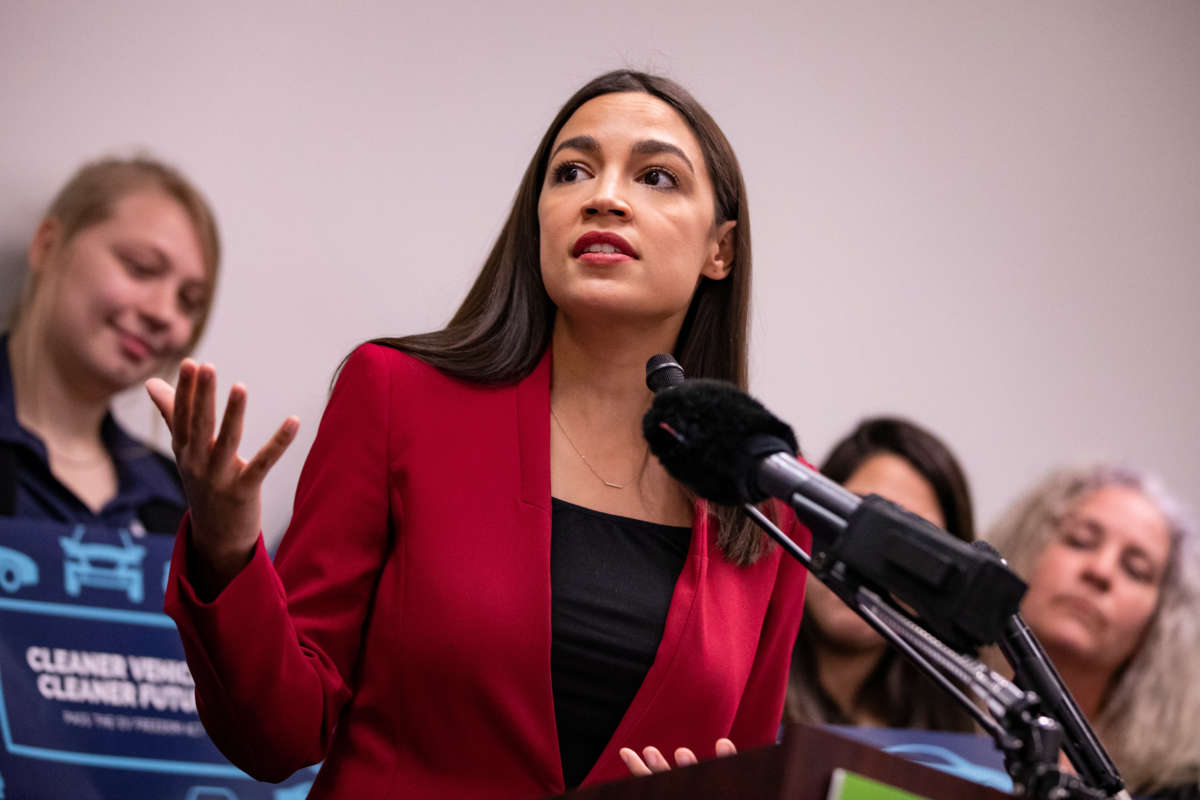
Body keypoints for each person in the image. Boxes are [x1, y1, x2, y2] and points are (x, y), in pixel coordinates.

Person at [148, 70, 810, 798]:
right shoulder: (397, 397)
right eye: (572, 172)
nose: (605, 197)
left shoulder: (767, 490)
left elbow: (742, 776)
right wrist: (226, 549)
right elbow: (277, 734)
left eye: (655, 176)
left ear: (721, 249)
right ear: (539, 219)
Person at [1, 156, 219, 533]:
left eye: (189, 301)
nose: (164, 313)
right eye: (140, 267)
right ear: (48, 246)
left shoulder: (183, 500)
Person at [986, 463, 1200, 799]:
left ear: (1159, 628)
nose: (1100, 571)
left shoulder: (1178, 788)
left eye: (1135, 570)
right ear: (1025, 549)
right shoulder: (922, 707)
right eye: (1080, 541)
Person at [785, 417, 979, 732]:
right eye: (857, 516)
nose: (868, 557)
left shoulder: (963, 735)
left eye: (909, 541)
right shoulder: (733, 680)